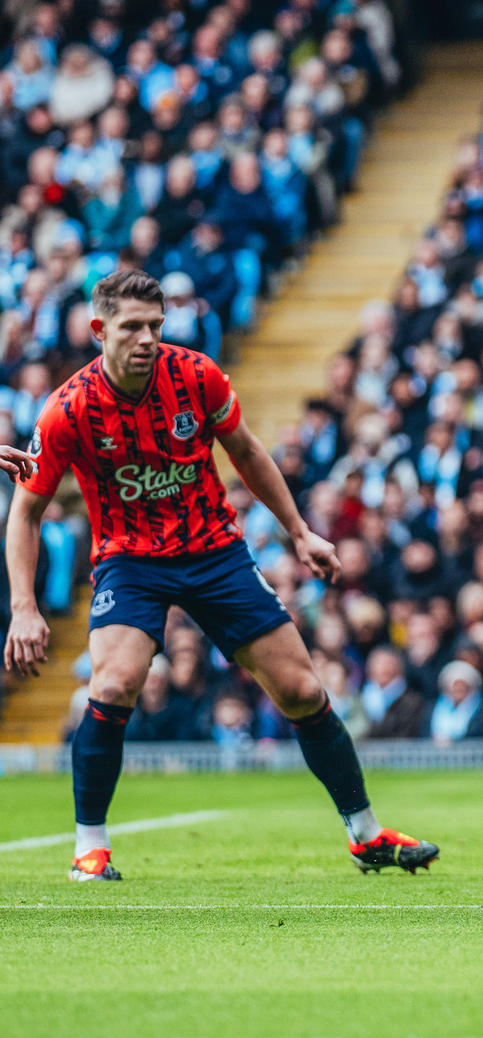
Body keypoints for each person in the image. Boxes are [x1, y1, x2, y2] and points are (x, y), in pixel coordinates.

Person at [2, 270, 438, 882]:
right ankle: (89, 849)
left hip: (215, 551)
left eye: (155, 325)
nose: (147, 338)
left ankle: (366, 836)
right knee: (115, 681)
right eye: (131, 327)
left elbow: (249, 452)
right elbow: (25, 511)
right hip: (131, 561)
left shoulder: (196, 376)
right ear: (100, 331)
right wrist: (25, 605)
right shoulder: (68, 409)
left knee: (304, 692)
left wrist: (299, 531)